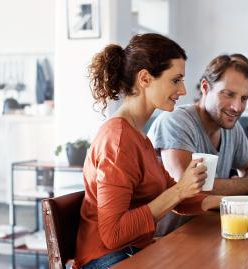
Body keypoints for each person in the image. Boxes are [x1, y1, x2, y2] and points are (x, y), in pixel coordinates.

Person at [74, 34, 221, 269]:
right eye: (175, 80)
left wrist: (243, 205)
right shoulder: (118, 141)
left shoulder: (137, 134)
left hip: (133, 252)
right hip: (106, 260)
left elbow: (179, 199)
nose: (182, 90)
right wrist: (180, 190)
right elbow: (114, 234)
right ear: (145, 78)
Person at [148, 54, 248, 235]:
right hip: (169, 240)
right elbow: (189, 188)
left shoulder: (230, 127)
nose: (237, 107)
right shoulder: (175, 121)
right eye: (229, 94)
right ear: (205, 87)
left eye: (244, 98)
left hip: (210, 230)